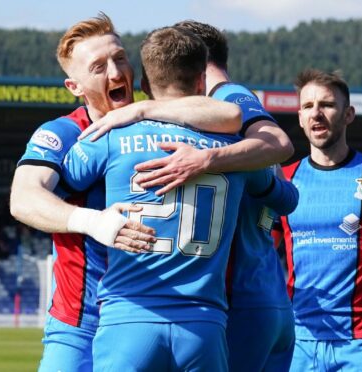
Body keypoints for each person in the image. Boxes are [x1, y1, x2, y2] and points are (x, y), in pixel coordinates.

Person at [9, 13, 246, 372]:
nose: (117, 73)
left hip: (151, 313)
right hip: (81, 318)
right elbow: (23, 198)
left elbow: (231, 113)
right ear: (74, 86)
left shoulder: (166, 119)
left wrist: (147, 108)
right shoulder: (64, 133)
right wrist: (91, 221)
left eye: (120, 58)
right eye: (99, 67)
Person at [62, 26, 298, 371]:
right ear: (202, 83)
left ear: (143, 85)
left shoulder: (110, 136)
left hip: (130, 318)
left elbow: (57, 184)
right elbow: (287, 199)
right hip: (203, 324)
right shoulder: (236, 151)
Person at [276, 69, 362, 371]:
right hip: (298, 339)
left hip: (360, 341)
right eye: (307, 106)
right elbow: (259, 251)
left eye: (327, 105)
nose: (316, 113)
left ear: (348, 114)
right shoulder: (283, 180)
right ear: (299, 117)